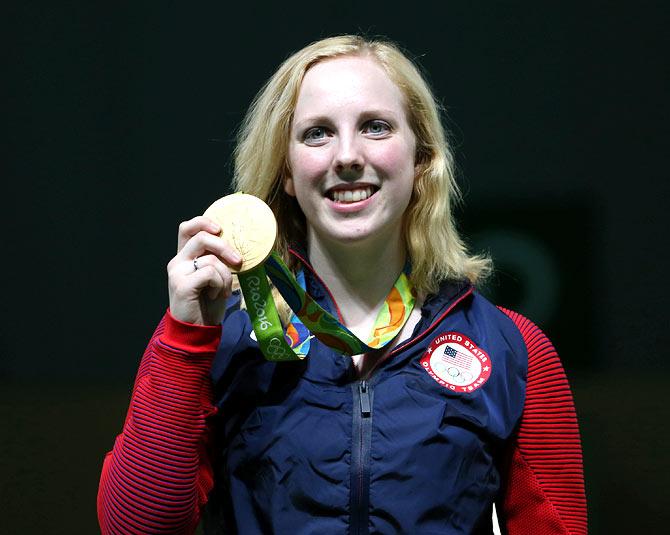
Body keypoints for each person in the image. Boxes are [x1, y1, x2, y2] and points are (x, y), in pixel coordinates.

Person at [97, 35, 587, 534]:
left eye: (375, 127)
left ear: (421, 159)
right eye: (317, 134)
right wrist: (185, 341)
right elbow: (135, 528)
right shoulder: (223, 342)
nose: (347, 155)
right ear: (286, 169)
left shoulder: (510, 348)